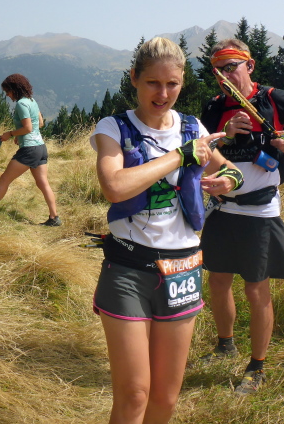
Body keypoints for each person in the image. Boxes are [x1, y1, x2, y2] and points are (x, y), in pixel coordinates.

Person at [90, 37, 243, 423]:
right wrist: (180, 156)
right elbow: (114, 187)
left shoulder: (192, 127)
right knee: (134, 395)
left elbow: (231, 171)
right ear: (134, 78)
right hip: (127, 269)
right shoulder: (114, 127)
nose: (162, 94)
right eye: (152, 83)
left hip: (183, 270)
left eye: (172, 84)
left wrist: (227, 181)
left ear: (182, 82)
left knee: (166, 398)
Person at [198, 39, 284, 395]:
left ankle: (257, 367)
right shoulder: (214, 107)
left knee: (256, 288)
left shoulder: (273, 98)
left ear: (250, 65)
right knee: (218, 281)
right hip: (221, 208)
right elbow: (200, 148)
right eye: (218, 70)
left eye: (231, 66)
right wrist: (223, 137)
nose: (224, 75)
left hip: (260, 211)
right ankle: (225, 345)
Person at [0, 73, 61, 226]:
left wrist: (10, 134)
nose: (7, 95)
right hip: (41, 148)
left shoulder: (21, 104)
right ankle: (54, 218)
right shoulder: (32, 101)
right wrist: (20, 135)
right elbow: (40, 123)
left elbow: (28, 127)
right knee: (43, 183)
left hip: (29, 150)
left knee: (5, 179)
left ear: (15, 89)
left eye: (8, 91)